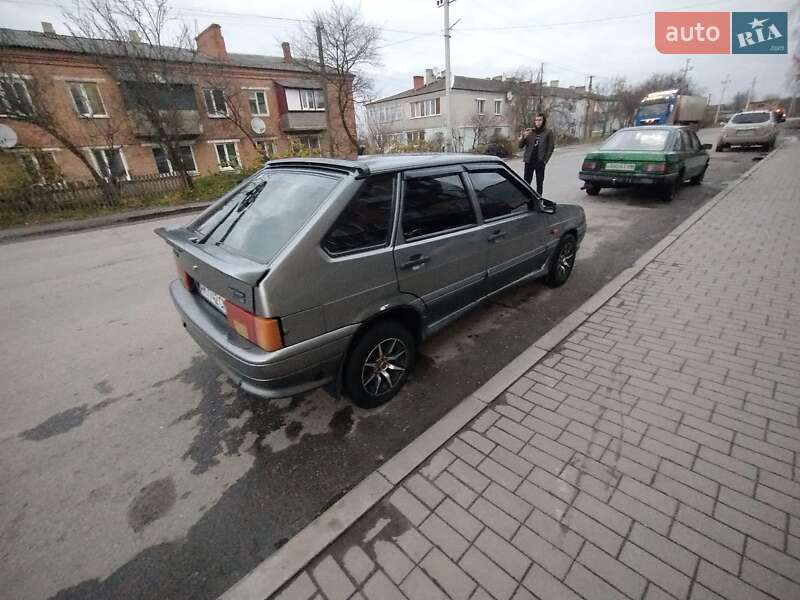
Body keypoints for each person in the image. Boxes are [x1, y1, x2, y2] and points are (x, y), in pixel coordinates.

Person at [518, 113, 554, 195]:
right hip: (529, 161)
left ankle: (539, 201)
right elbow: (520, 146)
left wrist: (545, 160)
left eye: (540, 120)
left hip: (540, 162)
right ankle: (527, 200)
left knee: (539, 184)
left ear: (543, 121)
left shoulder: (548, 132)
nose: (537, 122)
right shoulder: (530, 132)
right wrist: (523, 137)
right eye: (536, 120)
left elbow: (550, 147)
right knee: (526, 183)